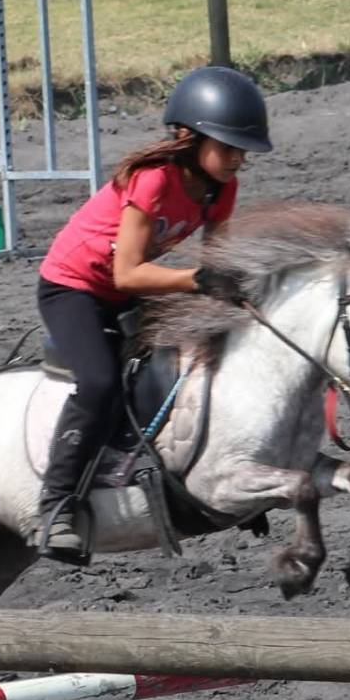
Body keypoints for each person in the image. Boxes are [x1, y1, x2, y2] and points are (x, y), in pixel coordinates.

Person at [35, 65, 272, 562]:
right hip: (73, 288)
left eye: (242, 151)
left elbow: (215, 263)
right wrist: (194, 281)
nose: (237, 160)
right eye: (228, 147)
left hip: (128, 288)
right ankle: (56, 506)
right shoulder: (151, 180)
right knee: (100, 382)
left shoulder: (219, 188)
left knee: (210, 349)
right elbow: (128, 274)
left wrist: (236, 295)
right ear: (191, 137)